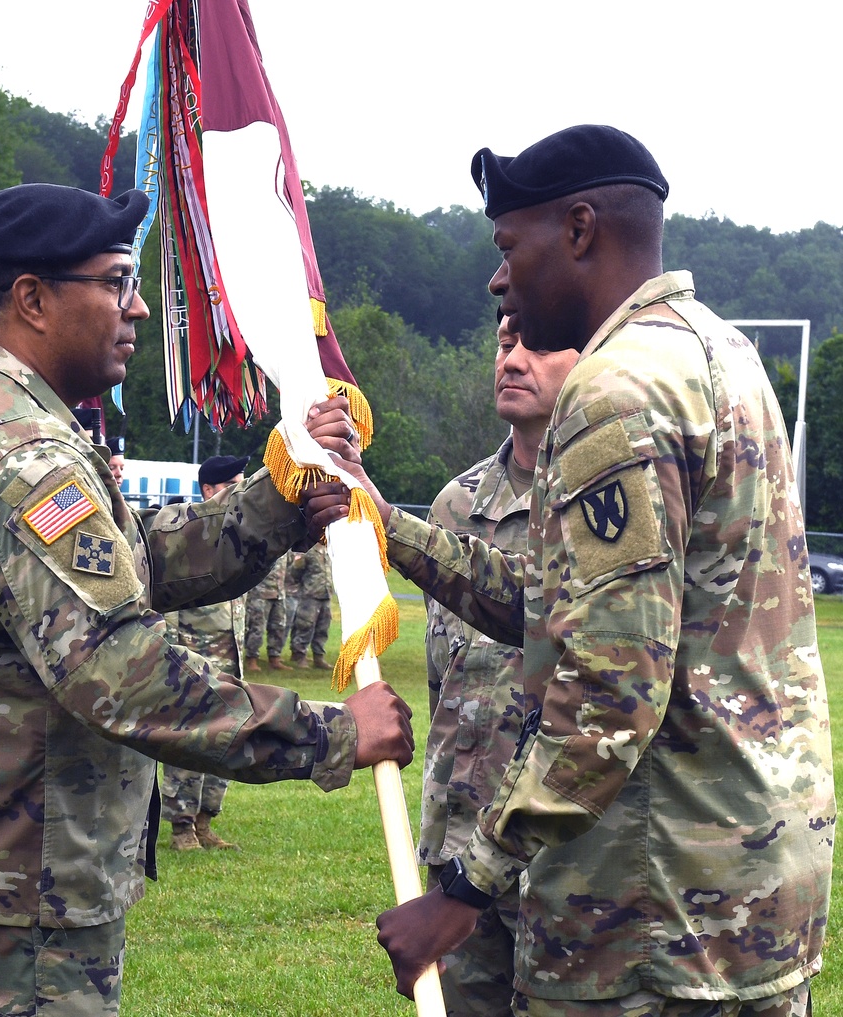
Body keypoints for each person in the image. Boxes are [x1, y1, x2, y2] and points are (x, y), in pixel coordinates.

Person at [0, 182, 415, 1015]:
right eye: (115, 281)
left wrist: (276, 502)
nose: (139, 308)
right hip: (2, 905)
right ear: (33, 300)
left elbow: (127, 558)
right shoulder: (20, 453)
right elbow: (122, 671)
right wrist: (330, 732)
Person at [307, 126, 834, 1015]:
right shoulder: (723, 353)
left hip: (649, 909)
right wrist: (386, 526)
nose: (497, 279)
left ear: (581, 229)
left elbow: (610, 689)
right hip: (756, 884)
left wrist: (464, 889)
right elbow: (571, 605)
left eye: (511, 247)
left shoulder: (615, 387)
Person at [419, 316, 578, 1016]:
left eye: (537, 345)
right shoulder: (456, 504)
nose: (512, 361)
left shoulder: (601, 497)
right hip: (459, 835)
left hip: (560, 851)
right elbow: (439, 675)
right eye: (503, 344)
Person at [161, 454, 249, 852]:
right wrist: (174, 651)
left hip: (230, 655)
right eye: (234, 483)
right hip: (194, 653)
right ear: (210, 490)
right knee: (190, 739)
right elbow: (171, 596)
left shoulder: (238, 532)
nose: (242, 489)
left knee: (227, 737)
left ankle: (205, 820)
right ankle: (181, 828)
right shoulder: (190, 531)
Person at [288, 542, 333, 670]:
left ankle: (318, 657)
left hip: (326, 594)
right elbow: (295, 572)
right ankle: (299, 655)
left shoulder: (328, 550)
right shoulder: (308, 551)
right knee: (305, 625)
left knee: (323, 628)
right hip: (310, 594)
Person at [243, 553, 292, 671]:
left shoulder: (286, 548)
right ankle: (252, 659)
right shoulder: (262, 544)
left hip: (279, 593)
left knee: (279, 627)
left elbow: (289, 564)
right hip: (260, 594)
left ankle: (275, 658)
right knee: (257, 628)